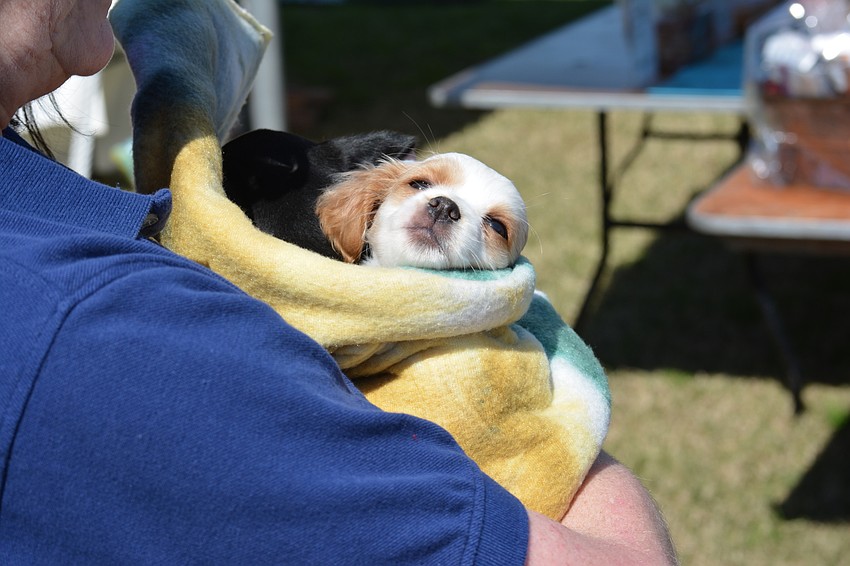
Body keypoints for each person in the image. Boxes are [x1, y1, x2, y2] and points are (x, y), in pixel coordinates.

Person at [0, 1, 677, 563]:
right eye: (421, 186)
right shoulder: (89, 327)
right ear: (368, 206)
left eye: (494, 227)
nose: (446, 209)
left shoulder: (69, 248)